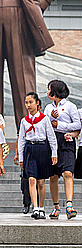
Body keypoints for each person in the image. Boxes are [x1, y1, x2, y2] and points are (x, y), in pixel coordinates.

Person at [44, 80, 81, 219]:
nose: (47, 92)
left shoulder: (70, 106)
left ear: (56, 91)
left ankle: (70, 206)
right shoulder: (48, 108)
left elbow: (77, 124)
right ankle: (56, 207)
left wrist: (59, 124)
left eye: (49, 89)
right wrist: (50, 119)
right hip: (52, 142)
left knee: (67, 173)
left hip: (66, 142)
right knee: (53, 176)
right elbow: (45, 125)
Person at [18, 92, 58, 220]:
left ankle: (41, 208)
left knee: (41, 181)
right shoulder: (24, 121)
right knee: (31, 179)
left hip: (42, 149)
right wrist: (21, 157)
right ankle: (34, 207)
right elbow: (21, 140)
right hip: (30, 149)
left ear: (37, 103)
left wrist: (54, 153)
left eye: (31, 102)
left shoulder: (45, 119)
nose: (28, 105)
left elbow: (51, 137)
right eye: (26, 102)